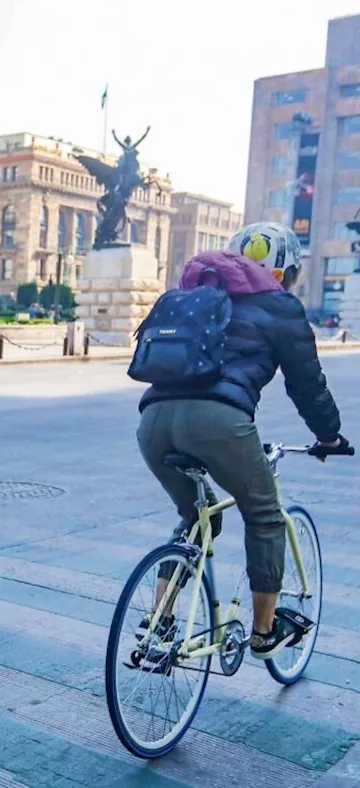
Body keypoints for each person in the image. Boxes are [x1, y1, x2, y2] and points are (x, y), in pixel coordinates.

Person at [137, 222, 346, 660]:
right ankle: (265, 632)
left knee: (197, 516)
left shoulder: (198, 296)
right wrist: (328, 435)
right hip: (220, 422)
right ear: (284, 271)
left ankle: (158, 623)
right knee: (265, 515)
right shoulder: (279, 305)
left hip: (153, 420)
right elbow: (307, 384)